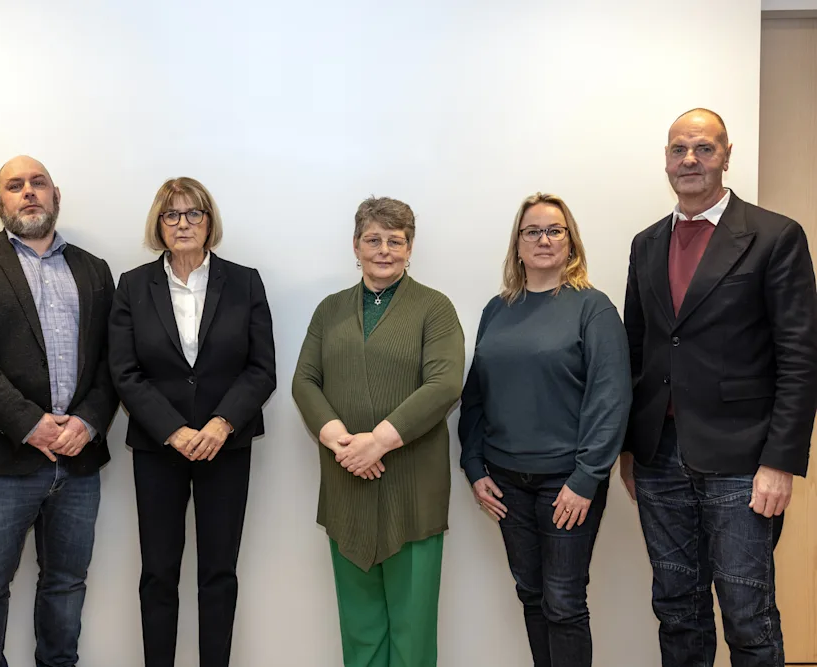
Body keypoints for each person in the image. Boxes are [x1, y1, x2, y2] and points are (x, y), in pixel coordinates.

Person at [620, 108, 817, 667]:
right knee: (676, 608)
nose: (690, 160)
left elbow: (801, 358)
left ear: (727, 155)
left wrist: (781, 462)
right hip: (660, 458)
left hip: (743, 459)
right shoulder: (646, 244)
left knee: (747, 614)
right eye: (679, 149)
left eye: (703, 148)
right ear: (665, 159)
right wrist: (632, 446)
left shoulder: (775, 236)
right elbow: (638, 349)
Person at [0, 156, 118, 667]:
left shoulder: (93, 269)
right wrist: (31, 424)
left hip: (78, 462)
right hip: (2, 462)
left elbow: (114, 361)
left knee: (66, 585)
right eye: (15, 186)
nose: (28, 192)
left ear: (56, 195)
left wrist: (85, 422)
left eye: (38, 183)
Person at [107, 177, 276, 667]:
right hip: (160, 450)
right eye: (171, 215)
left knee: (218, 572)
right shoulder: (133, 285)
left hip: (226, 447)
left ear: (209, 222)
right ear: (159, 225)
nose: (183, 224)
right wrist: (174, 429)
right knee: (158, 572)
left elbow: (261, 367)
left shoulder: (244, 281)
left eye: (193, 214)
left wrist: (221, 424)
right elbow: (124, 371)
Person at [458, 193, 631, 667]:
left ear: (571, 243)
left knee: (564, 602)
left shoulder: (592, 308)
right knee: (531, 594)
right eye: (532, 231)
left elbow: (611, 399)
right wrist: (473, 466)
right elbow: (475, 396)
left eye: (555, 230)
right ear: (517, 245)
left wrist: (586, 479)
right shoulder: (497, 309)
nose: (544, 239)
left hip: (567, 484)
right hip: (506, 481)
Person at [291, 196, 464, 667]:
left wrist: (378, 442)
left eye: (396, 240)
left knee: (413, 629)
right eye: (373, 239)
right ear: (355, 245)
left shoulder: (435, 308)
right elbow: (304, 381)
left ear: (410, 249)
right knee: (361, 629)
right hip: (347, 483)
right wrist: (340, 442)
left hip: (413, 489)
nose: (383, 249)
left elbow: (445, 382)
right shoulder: (330, 311)